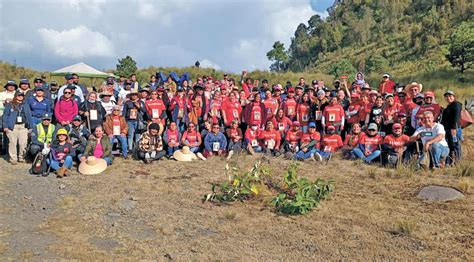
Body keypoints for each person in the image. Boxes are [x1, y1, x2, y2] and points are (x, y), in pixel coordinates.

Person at [2, 92, 32, 164]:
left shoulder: (26, 105)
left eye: (22, 96)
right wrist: (5, 126)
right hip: (13, 126)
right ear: (16, 96)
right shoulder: (10, 105)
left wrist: (30, 126)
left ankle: (22, 157)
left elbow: (29, 116)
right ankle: (13, 158)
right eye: (19, 95)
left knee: (23, 143)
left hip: (23, 126)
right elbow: (5, 115)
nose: (20, 97)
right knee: (12, 143)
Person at [440, 90, 462, 164]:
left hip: (453, 129)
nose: (448, 98)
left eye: (450, 96)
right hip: (448, 129)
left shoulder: (456, 104)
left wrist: (454, 128)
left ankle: (458, 162)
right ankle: (449, 161)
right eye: (446, 96)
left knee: (455, 145)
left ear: (454, 97)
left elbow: (456, 116)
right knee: (449, 145)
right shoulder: (449, 106)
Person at [0, 80, 18, 154]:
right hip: (1, 114)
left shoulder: (17, 94)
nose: (11, 86)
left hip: (13, 116)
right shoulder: (1, 94)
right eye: (9, 85)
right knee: (2, 131)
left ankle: (11, 149)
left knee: (12, 132)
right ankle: (3, 148)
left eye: (13, 85)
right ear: (6, 86)